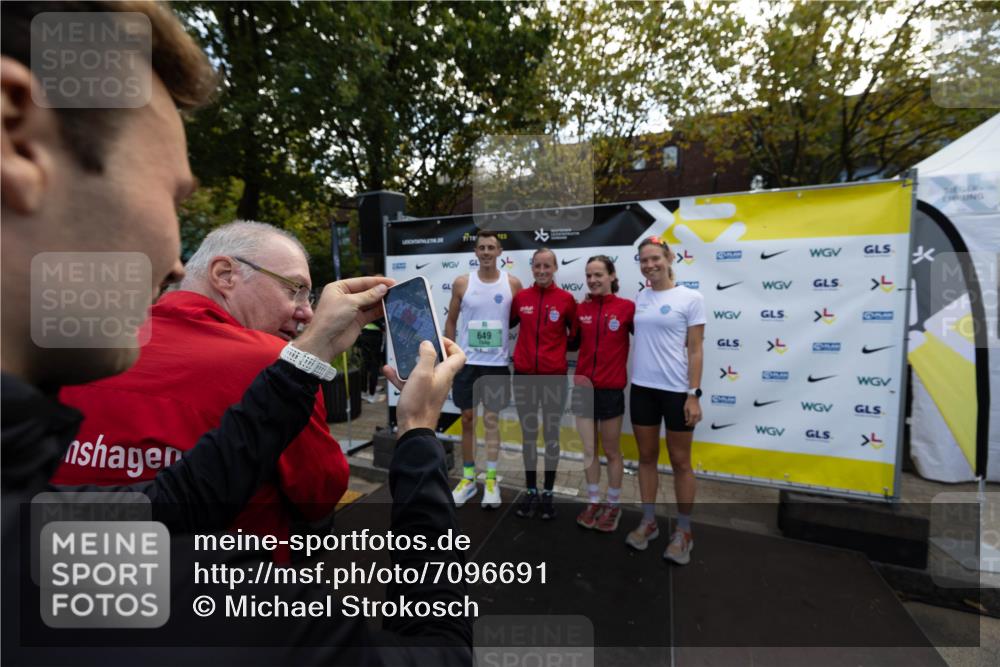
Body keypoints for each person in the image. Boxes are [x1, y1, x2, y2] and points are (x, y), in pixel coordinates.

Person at [1, 2, 470, 663]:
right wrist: (420, 437)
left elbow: (176, 502)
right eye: (174, 197)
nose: (172, 258)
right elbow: (442, 651)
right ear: (18, 137)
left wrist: (306, 356)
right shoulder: (233, 614)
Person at [51, 221, 345, 561]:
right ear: (224, 274)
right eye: (294, 289)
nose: (307, 312)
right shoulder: (277, 364)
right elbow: (320, 492)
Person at [625, 236, 705, 565]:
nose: (650, 265)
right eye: (644, 260)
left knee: (680, 461)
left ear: (669, 258)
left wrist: (693, 394)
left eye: (655, 258)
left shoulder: (691, 298)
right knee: (646, 458)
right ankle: (648, 522)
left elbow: (696, 349)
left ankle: (683, 531)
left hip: (676, 393)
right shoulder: (641, 296)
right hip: (642, 389)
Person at [444, 230, 521, 508]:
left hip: (496, 365)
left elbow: (518, 320)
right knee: (466, 419)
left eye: (491, 247)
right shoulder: (463, 283)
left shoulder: (512, 284)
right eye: (482, 248)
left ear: (500, 252)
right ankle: (467, 479)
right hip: (468, 364)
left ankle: (490, 480)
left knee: (490, 422)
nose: (486, 252)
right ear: (475, 252)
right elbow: (451, 321)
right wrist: (452, 355)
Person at [509, 248, 576, 520]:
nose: (542, 271)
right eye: (537, 266)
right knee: (528, 437)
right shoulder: (521, 298)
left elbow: (575, 337)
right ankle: (530, 490)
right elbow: (508, 325)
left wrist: (555, 354)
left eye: (547, 266)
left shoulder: (566, 300)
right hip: (524, 376)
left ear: (555, 268)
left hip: (553, 378)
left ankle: (548, 493)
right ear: (532, 268)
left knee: (550, 437)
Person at [570, 256, 634, 533]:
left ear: (611, 275)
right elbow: (571, 341)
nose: (593, 280)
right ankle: (594, 501)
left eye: (598, 274)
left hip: (610, 390)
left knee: (611, 450)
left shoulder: (627, 308)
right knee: (588, 449)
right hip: (584, 388)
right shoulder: (581, 309)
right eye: (589, 275)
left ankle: (613, 504)